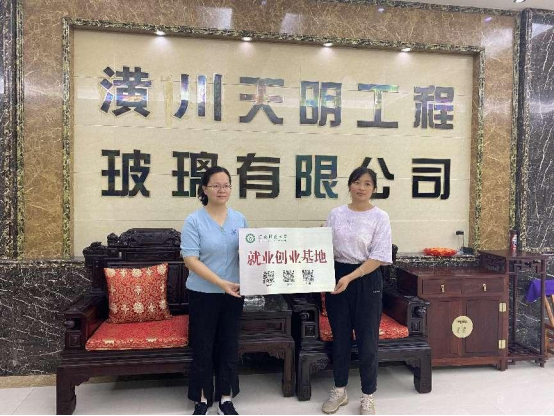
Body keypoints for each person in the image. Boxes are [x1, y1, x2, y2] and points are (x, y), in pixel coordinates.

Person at [322, 167, 393, 416]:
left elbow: (379, 256)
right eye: (356, 182)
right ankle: (339, 390)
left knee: (367, 340)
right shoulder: (336, 214)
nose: (361, 188)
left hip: (366, 279)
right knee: (340, 338)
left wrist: (351, 277)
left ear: (374, 189)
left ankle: (368, 395)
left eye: (367, 184)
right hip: (337, 278)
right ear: (349, 185)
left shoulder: (380, 217)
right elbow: (323, 247)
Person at [181, 166, 248, 416]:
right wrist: (220, 283)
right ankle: (201, 399)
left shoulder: (239, 219)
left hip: (234, 294)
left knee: (229, 345)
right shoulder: (194, 221)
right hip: (203, 294)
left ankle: (225, 398)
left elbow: (249, 253)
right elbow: (190, 259)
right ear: (204, 189)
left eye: (226, 185)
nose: (222, 190)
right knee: (203, 347)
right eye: (216, 185)